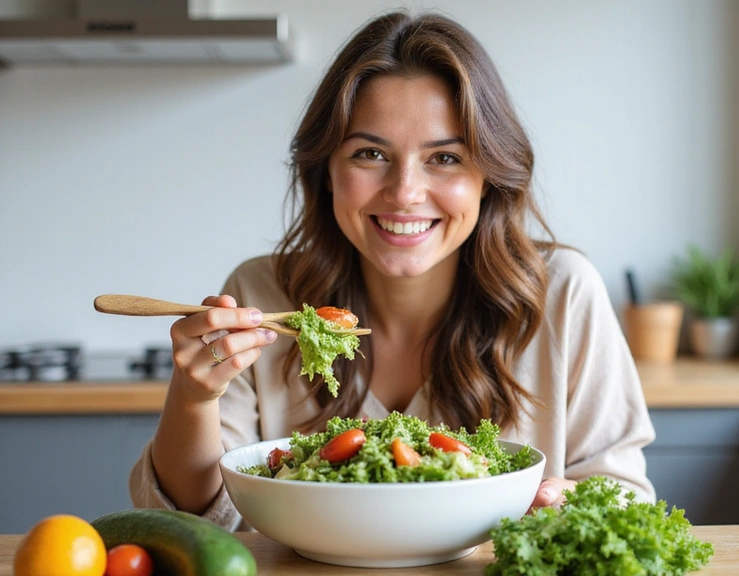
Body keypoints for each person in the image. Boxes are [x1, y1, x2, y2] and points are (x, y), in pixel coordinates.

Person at [130, 10, 656, 530]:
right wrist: (195, 394)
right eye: (370, 153)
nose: (404, 192)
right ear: (327, 173)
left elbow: (624, 497)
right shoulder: (261, 294)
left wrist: (568, 502)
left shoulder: (562, 292)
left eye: (444, 158)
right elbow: (195, 521)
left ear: (488, 177)